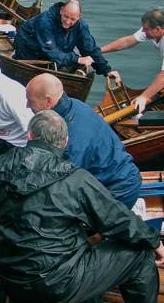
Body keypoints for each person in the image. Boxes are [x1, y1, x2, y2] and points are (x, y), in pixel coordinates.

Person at [0, 110, 164, 303]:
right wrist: (154, 241)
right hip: (55, 286)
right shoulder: (75, 179)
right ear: (65, 142)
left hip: (9, 277)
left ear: (29, 136)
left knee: (82, 243)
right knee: (139, 256)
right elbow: (118, 221)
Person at [25, 73, 142, 213]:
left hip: (117, 189)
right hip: (112, 176)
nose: (27, 105)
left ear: (48, 101)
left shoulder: (71, 139)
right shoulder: (74, 104)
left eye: (31, 101)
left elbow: (61, 183)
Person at [13, 0, 118, 79]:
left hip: (55, 49)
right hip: (28, 50)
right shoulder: (45, 21)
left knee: (67, 61)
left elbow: (90, 49)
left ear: (79, 17)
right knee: (63, 59)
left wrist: (106, 71)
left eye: (72, 19)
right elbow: (52, 51)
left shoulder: (81, 25)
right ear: (61, 10)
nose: (68, 22)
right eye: (66, 17)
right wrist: (77, 59)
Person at [101, 8, 164, 113]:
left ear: (157, 29)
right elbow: (127, 41)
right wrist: (99, 51)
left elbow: (163, 77)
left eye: (146, 29)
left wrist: (144, 97)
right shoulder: (151, 30)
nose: (143, 31)